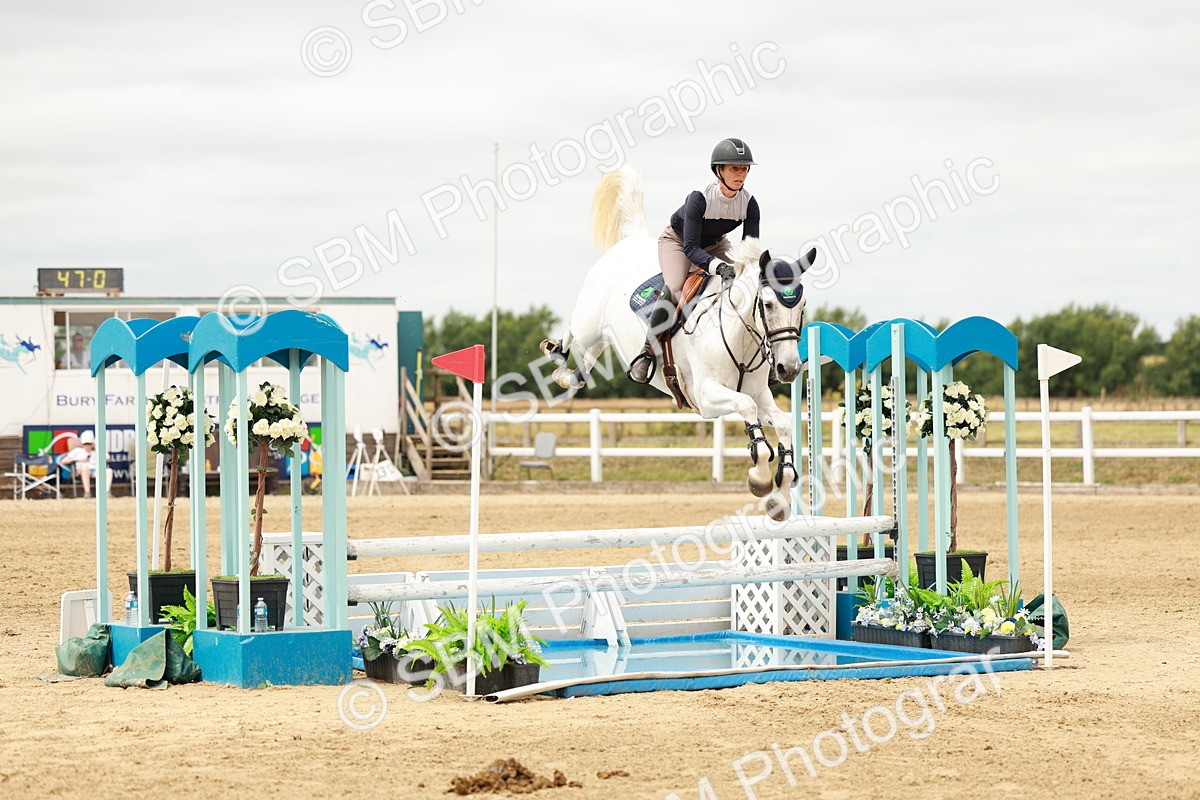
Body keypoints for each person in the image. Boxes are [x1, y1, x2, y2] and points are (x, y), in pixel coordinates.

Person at [628, 137, 761, 384]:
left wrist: (748, 270)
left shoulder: (750, 204)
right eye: (734, 168)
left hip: (716, 243)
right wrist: (719, 266)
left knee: (744, 284)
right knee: (676, 288)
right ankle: (646, 353)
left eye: (744, 169)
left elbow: (749, 250)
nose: (740, 174)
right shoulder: (699, 198)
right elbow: (690, 248)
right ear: (718, 170)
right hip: (678, 242)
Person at [59, 430, 102, 498]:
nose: (87, 445)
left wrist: (98, 446)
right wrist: (78, 460)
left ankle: (106, 493)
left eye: (89, 443)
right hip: (81, 471)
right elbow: (64, 461)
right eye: (85, 444)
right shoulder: (77, 451)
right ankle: (87, 493)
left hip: (95, 471)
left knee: (108, 470)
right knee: (85, 466)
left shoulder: (96, 452)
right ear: (82, 444)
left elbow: (107, 457)